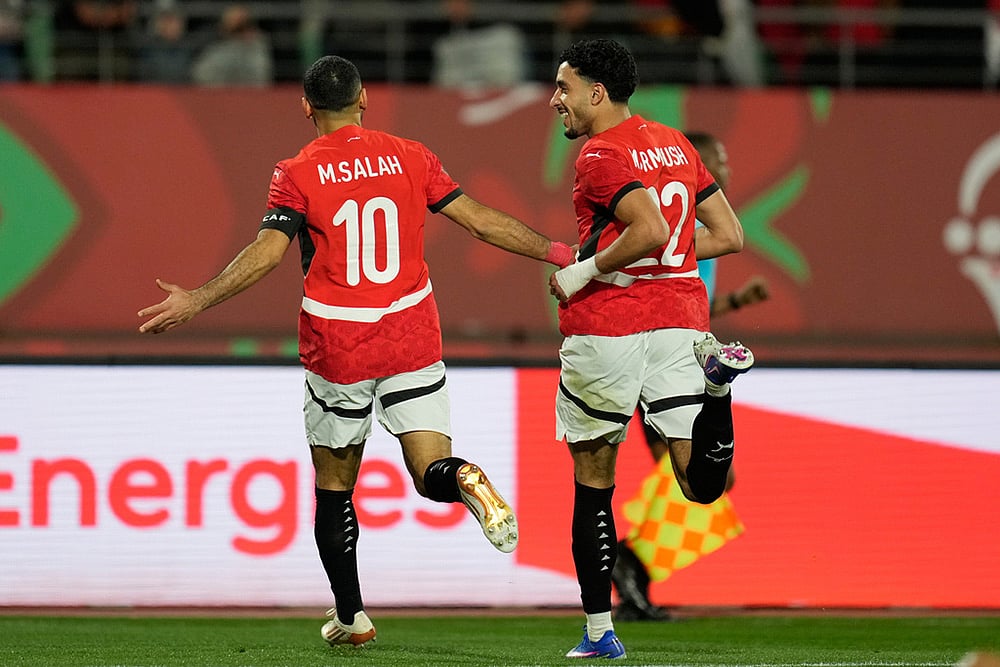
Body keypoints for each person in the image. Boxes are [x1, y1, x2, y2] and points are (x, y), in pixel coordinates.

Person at [138, 54, 575, 647]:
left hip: (338, 341)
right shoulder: (411, 155)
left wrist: (197, 300)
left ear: (306, 107)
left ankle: (351, 617)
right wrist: (558, 252)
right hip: (412, 334)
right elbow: (477, 221)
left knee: (335, 486)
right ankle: (464, 476)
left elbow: (268, 253)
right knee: (428, 472)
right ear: (364, 98)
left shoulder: (295, 171)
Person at [547, 38, 753, 659]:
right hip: (684, 323)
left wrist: (585, 272)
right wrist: (668, 262)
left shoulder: (600, 153)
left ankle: (598, 634)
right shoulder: (676, 144)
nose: (556, 100)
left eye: (564, 87)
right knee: (700, 486)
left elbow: (651, 229)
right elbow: (729, 235)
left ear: (596, 92)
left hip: (610, 327)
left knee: (593, 480)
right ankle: (717, 390)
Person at [611, 129, 770, 622]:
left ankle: (632, 564)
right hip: (665, 360)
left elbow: (693, 304)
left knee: (700, 476)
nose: (727, 164)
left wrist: (736, 304)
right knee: (702, 473)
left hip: (683, 353)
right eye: (719, 156)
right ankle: (629, 561)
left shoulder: (692, 229)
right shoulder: (680, 226)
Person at [191, 3, 272, 87]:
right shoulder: (214, 47)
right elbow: (201, 75)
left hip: (250, 95)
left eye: (244, 25)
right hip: (218, 94)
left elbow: (260, 79)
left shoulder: (258, 47)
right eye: (238, 28)